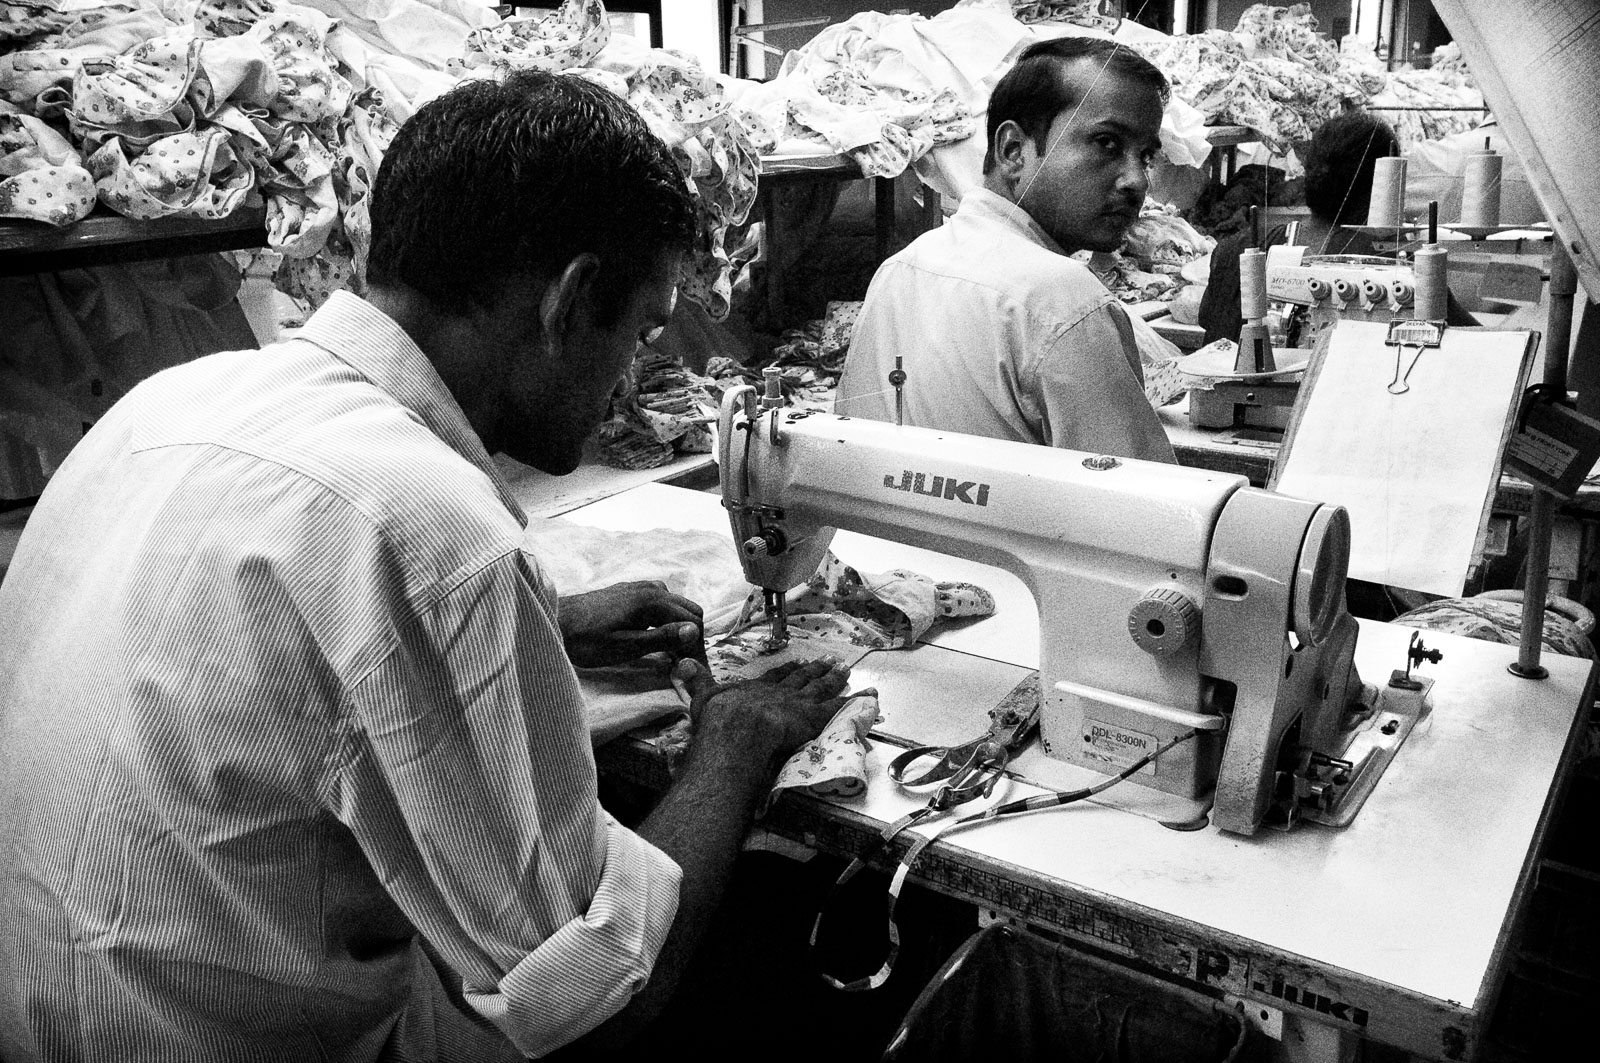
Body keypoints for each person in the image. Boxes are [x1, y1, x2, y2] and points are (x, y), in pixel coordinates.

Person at [0, 70, 853, 1062]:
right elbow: (596, 998)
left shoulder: (175, 401)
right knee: (756, 955)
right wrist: (736, 741)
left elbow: (251, 654)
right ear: (571, 300)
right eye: (642, 330)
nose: (632, 372)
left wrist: (550, 622)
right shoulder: (430, 531)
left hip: (43, 1008)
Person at [834, 36, 1176, 464]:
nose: (1137, 181)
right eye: (1107, 143)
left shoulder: (900, 269)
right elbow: (1139, 495)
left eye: (1146, 156)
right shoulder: (1065, 301)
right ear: (1013, 151)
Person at [1199, 111, 1476, 345]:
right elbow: (1474, 342)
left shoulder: (1232, 252)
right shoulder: (1401, 272)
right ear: (1387, 182)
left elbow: (1208, 321)